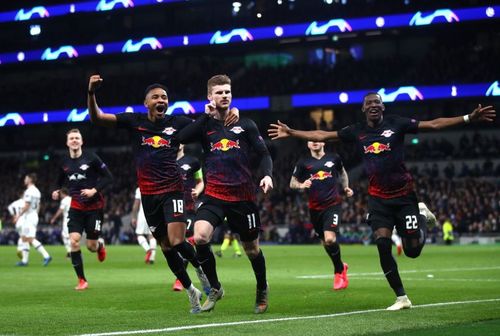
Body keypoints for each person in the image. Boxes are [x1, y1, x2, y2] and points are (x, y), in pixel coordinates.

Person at [268, 93, 496, 310]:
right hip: (378, 199)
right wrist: (292, 132)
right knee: (382, 244)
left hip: (404, 196)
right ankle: (402, 297)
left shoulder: (397, 124)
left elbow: (433, 124)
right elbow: (321, 135)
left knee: (413, 251)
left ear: (383, 106)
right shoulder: (356, 131)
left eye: (377, 102)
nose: (374, 105)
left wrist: (468, 117)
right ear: (363, 108)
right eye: (369, 103)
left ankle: (422, 215)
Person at [87, 74, 237, 313]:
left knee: (178, 240)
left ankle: (203, 275)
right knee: (166, 247)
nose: (161, 100)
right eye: (155, 97)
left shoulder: (177, 122)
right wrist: (92, 93)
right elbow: (97, 118)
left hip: (172, 190)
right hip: (148, 195)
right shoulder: (134, 121)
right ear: (146, 103)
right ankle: (191, 291)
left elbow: (210, 125)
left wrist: (231, 110)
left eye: (164, 97)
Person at [177, 74, 274, 314]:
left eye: (227, 92)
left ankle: (262, 288)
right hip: (214, 195)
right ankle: (215, 288)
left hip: (243, 196)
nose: (224, 96)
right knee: (199, 237)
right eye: (219, 92)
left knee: (252, 250)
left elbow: (264, 154)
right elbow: (180, 137)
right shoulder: (204, 125)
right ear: (210, 96)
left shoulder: (246, 124)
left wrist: (268, 174)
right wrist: (204, 116)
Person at [51, 129, 112, 290]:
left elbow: (108, 177)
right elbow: (59, 181)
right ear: (67, 142)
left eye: (77, 138)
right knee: (74, 241)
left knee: (91, 246)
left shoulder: (91, 158)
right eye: (71, 138)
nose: (74, 140)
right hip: (76, 208)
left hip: (95, 208)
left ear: (82, 141)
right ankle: (82, 280)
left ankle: (99, 246)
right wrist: (56, 190)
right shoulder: (64, 162)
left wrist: (94, 190)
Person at [290, 141, 352, 290]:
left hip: (332, 205)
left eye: (318, 139)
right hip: (314, 209)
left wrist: (346, 187)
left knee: (330, 239)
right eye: (312, 140)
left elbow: (342, 172)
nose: (315, 142)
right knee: (325, 242)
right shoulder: (303, 162)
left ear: (323, 141)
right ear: (308, 144)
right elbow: (292, 182)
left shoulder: (334, 158)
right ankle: (341, 266)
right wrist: (301, 185)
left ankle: (338, 272)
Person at [172, 144, 206, 292]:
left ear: (183, 143)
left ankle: (180, 279)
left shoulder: (193, 161)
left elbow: (200, 182)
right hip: (170, 206)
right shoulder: (165, 161)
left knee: (184, 239)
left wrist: (197, 192)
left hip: (188, 207)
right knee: (173, 243)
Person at [14, 173, 52, 267]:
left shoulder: (28, 191)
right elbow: (38, 205)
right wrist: (36, 215)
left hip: (29, 216)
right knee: (24, 238)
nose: (24, 180)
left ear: (30, 180)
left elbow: (26, 206)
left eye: (26, 178)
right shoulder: (37, 191)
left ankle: (46, 256)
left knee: (30, 239)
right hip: (33, 215)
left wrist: (18, 216)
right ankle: (24, 261)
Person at [131, 187, 157, 264]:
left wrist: (133, 217)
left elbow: (136, 204)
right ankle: (152, 257)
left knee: (139, 235)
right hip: (154, 215)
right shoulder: (156, 187)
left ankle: (148, 250)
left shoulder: (140, 188)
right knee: (152, 235)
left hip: (143, 215)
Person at [49, 188, 72, 258]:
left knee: (65, 236)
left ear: (63, 193)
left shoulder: (64, 200)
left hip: (67, 220)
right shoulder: (71, 199)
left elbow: (60, 210)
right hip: (74, 219)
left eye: (60, 194)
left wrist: (53, 218)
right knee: (68, 236)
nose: (60, 195)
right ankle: (71, 252)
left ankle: (71, 252)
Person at [7, 193, 25, 259]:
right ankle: (20, 249)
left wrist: (13, 215)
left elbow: (9, 207)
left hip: (17, 222)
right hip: (24, 221)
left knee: (22, 236)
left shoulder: (16, 202)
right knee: (25, 237)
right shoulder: (26, 202)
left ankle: (21, 251)